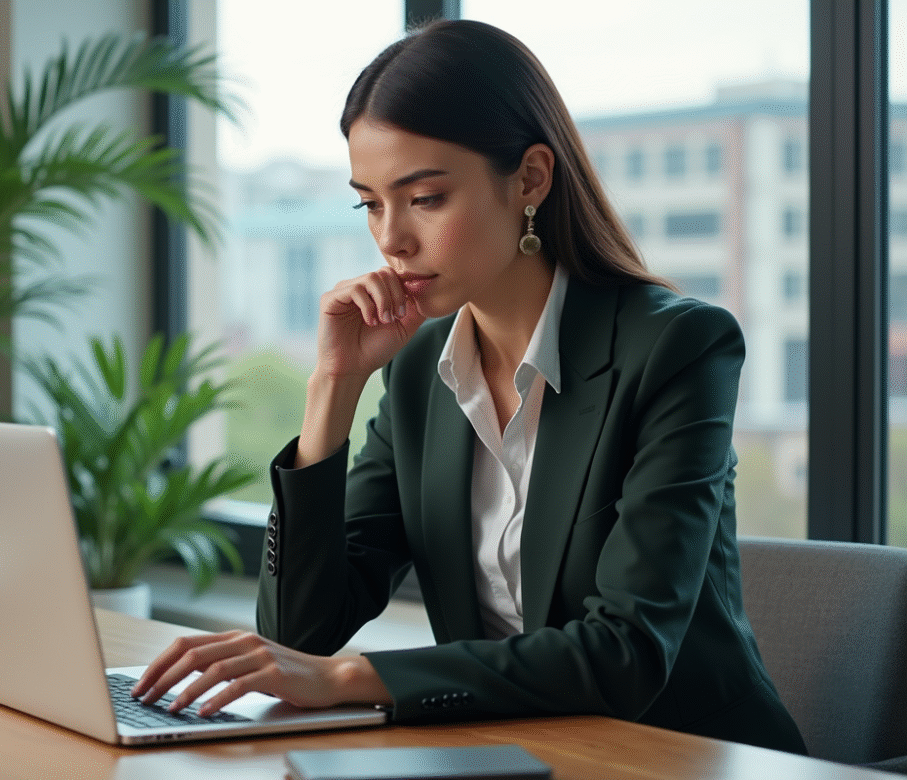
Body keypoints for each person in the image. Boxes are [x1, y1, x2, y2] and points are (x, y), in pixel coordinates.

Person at [131, 19, 806, 754]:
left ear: (531, 179)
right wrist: (334, 387)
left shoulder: (677, 348)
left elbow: (627, 653)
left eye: (424, 198)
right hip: (503, 753)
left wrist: (356, 677)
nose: (390, 238)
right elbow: (300, 630)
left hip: (677, 757)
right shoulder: (422, 367)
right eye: (370, 202)